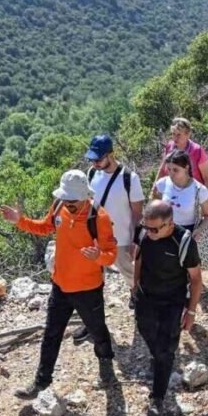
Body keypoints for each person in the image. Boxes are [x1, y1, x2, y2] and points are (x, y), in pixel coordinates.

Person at [0, 170, 119, 398]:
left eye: (72, 202)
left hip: (88, 288)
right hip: (61, 285)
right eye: (65, 199)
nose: (67, 204)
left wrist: (98, 257)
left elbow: (111, 254)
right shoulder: (59, 207)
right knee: (51, 334)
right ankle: (41, 382)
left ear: (85, 196)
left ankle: (106, 365)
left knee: (97, 329)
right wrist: (20, 221)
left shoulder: (98, 217)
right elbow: (46, 227)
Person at [132, 200, 203, 416]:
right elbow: (139, 258)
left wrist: (190, 312)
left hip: (172, 301)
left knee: (166, 350)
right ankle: (158, 356)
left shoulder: (183, 242)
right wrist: (135, 287)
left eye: (154, 229)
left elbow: (196, 279)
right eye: (146, 227)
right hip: (146, 296)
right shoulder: (144, 233)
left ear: (169, 224)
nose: (149, 232)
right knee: (145, 331)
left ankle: (158, 397)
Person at [79, 134, 144, 343]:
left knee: (130, 274)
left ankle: (139, 301)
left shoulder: (129, 178)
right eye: (92, 159)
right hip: (96, 239)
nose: (94, 163)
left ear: (111, 155)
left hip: (121, 239)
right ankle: (91, 322)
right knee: (91, 282)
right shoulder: (90, 174)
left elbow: (137, 212)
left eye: (98, 159)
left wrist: (136, 239)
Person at [151, 149, 208, 234]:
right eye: (169, 169)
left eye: (175, 170)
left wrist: (199, 231)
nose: (171, 173)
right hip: (164, 231)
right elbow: (154, 203)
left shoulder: (199, 190)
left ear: (186, 168)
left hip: (187, 233)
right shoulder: (163, 183)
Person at [156, 118, 208, 193]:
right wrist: (154, 190)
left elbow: (206, 177)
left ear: (188, 134)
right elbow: (162, 170)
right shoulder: (170, 146)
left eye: (179, 134)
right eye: (173, 134)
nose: (175, 138)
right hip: (172, 191)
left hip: (193, 193)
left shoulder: (197, 150)